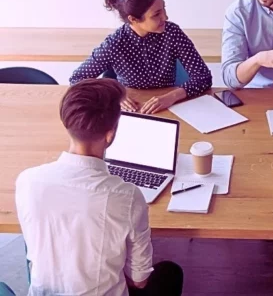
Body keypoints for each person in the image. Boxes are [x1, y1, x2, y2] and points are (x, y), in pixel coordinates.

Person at [15, 79, 183, 296]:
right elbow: (140, 281)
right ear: (110, 134)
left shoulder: (27, 181)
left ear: (67, 123)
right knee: (170, 273)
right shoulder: (127, 197)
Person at [70, 0, 212, 114]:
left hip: (170, 108)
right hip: (133, 109)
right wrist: (114, 94)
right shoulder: (115, 44)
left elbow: (203, 77)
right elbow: (77, 79)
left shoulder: (172, 33)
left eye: (163, 8)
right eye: (156, 14)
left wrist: (172, 96)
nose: (165, 17)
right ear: (133, 19)